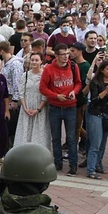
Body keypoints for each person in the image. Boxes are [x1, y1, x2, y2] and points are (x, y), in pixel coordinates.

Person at [39, 43, 81, 176]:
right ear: (56, 55)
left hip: (71, 106)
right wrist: (56, 95)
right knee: (56, 137)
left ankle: (73, 165)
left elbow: (79, 83)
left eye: (68, 54)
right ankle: (57, 163)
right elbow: (43, 88)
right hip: (55, 107)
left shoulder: (74, 66)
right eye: (63, 54)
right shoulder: (49, 69)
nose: (66, 57)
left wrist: (74, 91)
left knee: (71, 137)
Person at [85, 61, 108, 179]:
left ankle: (98, 165)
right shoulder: (95, 82)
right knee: (95, 143)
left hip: (107, 115)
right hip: (96, 114)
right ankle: (91, 170)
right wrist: (106, 91)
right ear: (102, 70)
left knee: (103, 143)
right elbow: (94, 100)